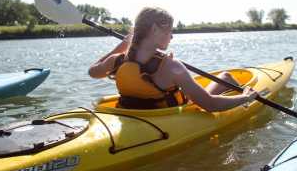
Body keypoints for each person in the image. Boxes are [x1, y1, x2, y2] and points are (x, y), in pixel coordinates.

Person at [89, 7, 258, 111]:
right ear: (155, 29)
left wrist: (123, 46)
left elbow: (93, 72)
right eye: (169, 31)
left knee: (224, 78)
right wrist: (246, 98)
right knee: (226, 77)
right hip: (170, 117)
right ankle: (239, 91)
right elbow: (210, 105)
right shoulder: (171, 67)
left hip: (134, 114)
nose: (171, 37)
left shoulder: (116, 61)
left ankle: (228, 82)